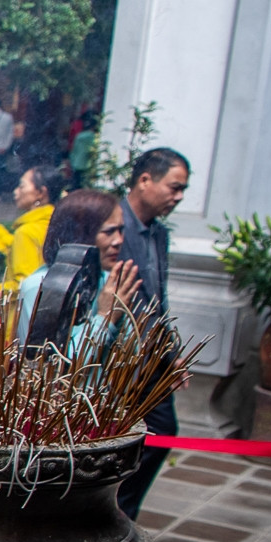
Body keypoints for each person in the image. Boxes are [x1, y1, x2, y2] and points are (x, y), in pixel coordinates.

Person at [115, 148, 189, 519]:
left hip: (153, 358)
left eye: (183, 191)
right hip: (116, 356)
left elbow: (158, 298)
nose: (177, 197)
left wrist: (171, 352)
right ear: (145, 180)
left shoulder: (158, 235)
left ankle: (123, 511)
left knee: (163, 433)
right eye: (173, 187)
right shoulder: (114, 227)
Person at [14, 188, 140, 349]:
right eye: (109, 232)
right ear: (79, 235)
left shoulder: (107, 281)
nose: (118, 240)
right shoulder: (40, 286)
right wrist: (104, 317)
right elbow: (46, 365)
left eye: (121, 230)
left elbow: (128, 355)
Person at [5, 165, 61, 287]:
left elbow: (24, 284)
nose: (16, 191)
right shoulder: (59, 223)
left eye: (22, 186)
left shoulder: (26, 232)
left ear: (41, 193)